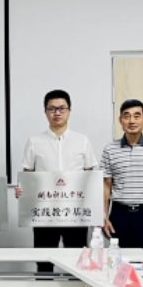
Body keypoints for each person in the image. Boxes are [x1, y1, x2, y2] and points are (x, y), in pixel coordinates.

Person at [16, 90, 98, 273]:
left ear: (69, 111)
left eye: (62, 108)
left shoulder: (82, 141)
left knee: (78, 260)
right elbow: (27, 176)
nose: (57, 113)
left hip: (75, 213)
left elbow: (89, 177)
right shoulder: (34, 141)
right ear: (45, 112)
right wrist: (23, 191)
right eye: (52, 109)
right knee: (44, 261)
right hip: (45, 213)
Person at [101, 99, 143, 252]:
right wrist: (104, 216)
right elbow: (106, 185)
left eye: (137, 116)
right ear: (120, 120)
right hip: (119, 214)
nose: (132, 121)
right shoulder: (110, 149)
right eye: (127, 116)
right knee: (119, 261)